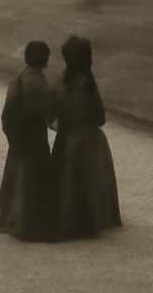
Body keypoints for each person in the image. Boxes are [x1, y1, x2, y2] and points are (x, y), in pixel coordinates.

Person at [50, 36, 122, 240]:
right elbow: (100, 118)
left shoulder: (61, 83)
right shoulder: (88, 86)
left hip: (67, 138)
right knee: (88, 179)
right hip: (88, 139)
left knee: (68, 178)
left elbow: (51, 115)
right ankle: (88, 219)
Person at [0, 40, 57, 242]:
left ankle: (9, 217)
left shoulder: (20, 76)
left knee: (16, 176)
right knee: (32, 177)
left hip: (19, 135)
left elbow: (9, 110)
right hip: (34, 136)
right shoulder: (38, 82)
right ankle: (29, 222)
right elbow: (44, 110)